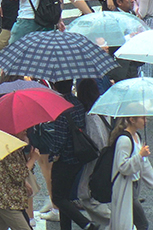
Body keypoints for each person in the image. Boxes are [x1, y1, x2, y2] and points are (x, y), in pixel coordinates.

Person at [46, 80, 96, 230]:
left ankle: (86, 224)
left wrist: (53, 154)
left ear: (55, 87)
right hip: (78, 155)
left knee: (58, 198)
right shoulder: (77, 103)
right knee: (66, 197)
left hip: (65, 159)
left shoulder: (60, 107)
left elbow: (60, 138)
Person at [75, 80, 111, 228]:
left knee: (86, 194)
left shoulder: (90, 116)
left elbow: (98, 141)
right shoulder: (102, 109)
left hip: (95, 159)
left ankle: (114, 221)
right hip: (104, 157)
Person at [109, 115, 153, 230]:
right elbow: (122, 167)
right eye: (142, 118)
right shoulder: (124, 140)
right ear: (132, 120)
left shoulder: (137, 137)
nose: (145, 121)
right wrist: (140, 156)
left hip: (135, 184)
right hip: (126, 187)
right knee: (141, 224)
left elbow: (144, 165)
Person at [0, 131, 37, 229]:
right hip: (7, 200)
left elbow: (10, 171)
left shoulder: (7, 144)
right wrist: (33, 159)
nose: (26, 131)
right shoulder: (9, 147)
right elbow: (19, 174)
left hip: (2, 197)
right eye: (23, 130)